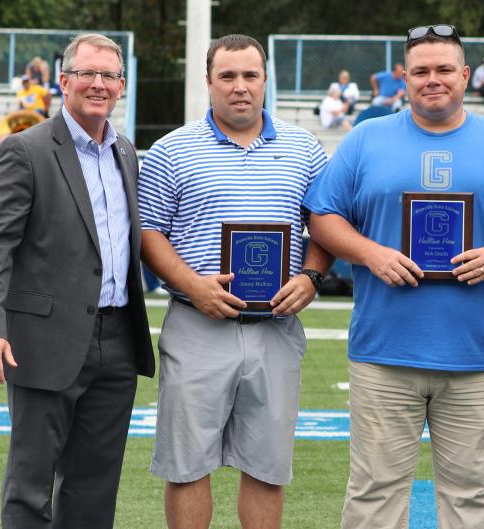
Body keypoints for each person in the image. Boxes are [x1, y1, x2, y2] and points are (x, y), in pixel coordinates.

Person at [304, 24, 484, 529]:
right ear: (404, 77)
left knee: (473, 499)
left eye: (443, 69)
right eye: (420, 71)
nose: (432, 79)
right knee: (373, 497)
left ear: (465, 76)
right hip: (383, 352)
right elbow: (323, 215)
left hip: (477, 355)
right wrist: (371, 254)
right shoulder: (367, 137)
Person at [137, 34, 332, 529]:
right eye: (227, 76)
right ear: (208, 82)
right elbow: (149, 232)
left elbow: (328, 224)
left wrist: (312, 275)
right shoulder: (171, 150)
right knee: (186, 466)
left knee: (267, 467)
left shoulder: (304, 148)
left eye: (250, 75)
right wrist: (193, 284)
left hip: (275, 325)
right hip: (196, 322)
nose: (239, 87)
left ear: (266, 80)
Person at [0, 33, 155, 529]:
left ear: (122, 85)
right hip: (43, 341)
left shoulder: (127, 154)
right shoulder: (24, 150)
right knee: (30, 486)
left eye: (110, 76)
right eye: (88, 73)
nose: (99, 84)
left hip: (117, 342)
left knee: (95, 487)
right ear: (64, 79)